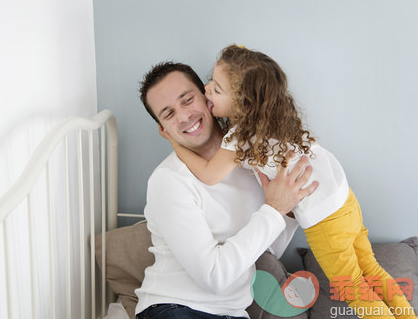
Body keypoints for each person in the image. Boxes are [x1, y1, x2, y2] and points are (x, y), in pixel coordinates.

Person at [161, 45, 416, 319]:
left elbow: (209, 174)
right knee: (371, 269)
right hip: (345, 201)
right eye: (211, 81)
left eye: (217, 89)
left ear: (243, 104)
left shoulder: (240, 137)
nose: (207, 88)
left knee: (352, 286)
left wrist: (175, 142)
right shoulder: (272, 121)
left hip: (326, 219)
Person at [134, 61, 318, 319]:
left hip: (232, 313)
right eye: (169, 114)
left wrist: (287, 211)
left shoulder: (253, 158)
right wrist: (274, 209)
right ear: (163, 130)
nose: (184, 116)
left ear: (209, 98)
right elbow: (215, 277)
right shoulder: (168, 180)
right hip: (175, 308)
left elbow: (262, 250)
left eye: (187, 100)